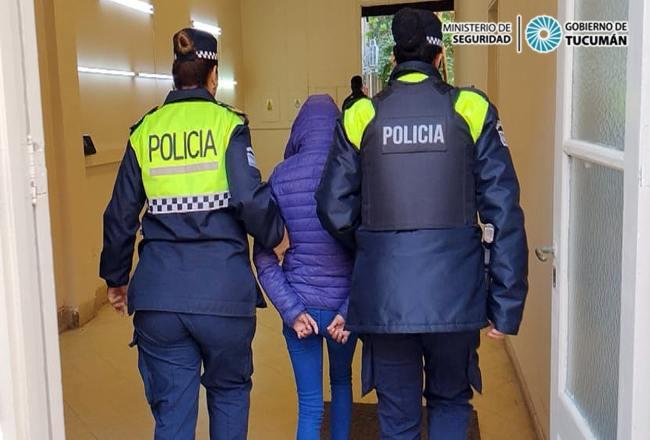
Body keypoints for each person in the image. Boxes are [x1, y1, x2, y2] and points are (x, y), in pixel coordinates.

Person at [315, 8, 528, 440]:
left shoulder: (361, 114)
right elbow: (503, 208)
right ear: (440, 58)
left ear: (394, 58)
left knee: (397, 420)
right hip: (455, 297)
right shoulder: (471, 108)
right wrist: (506, 303)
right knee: (450, 403)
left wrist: (378, 246)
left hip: (386, 297)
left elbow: (332, 207)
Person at [99, 28, 288, 440]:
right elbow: (249, 198)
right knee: (230, 393)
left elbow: (119, 214)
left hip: (160, 299)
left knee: (173, 415)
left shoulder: (145, 131)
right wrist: (276, 236)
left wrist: (116, 278)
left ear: (174, 73)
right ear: (213, 75)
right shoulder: (228, 125)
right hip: (223, 296)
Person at [254, 95, 358, 440]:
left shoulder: (281, 177)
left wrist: (292, 310)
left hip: (301, 307)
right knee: (342, 384)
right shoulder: (354, 172)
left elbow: (264, 257)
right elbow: (372, 253)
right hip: (343, 309)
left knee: (310, 404)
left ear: (299, 130)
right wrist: (349, 309)